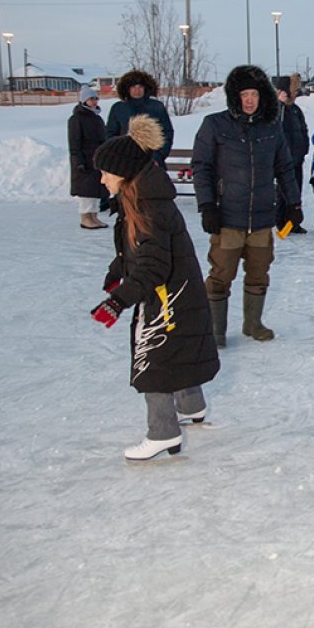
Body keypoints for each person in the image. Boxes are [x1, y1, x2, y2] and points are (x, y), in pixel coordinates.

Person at [90, 114, 220, 461]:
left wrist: (118, 301)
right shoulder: (143, 198)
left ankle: (163, 433)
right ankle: (192, 405)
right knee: (178, 350)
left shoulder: (147, 207)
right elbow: (138, 250)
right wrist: (118, 270)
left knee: (154, 360)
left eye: (106, 172)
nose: (101, 180)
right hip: (178, 291)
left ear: (124, 172)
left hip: (166, 297)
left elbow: (153, 264)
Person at [191, 65, 302, 346]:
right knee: (221, 275)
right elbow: (201, 167)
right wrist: (207, 205)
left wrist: (294, 203)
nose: (249, 100)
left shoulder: (271, 128)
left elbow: (285, 168)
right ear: (234, 96)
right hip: (228, 217)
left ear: (262, 96)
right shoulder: (215, 125)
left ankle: (253, 324)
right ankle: (215, 330)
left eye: (254, 93)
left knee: (258, 273)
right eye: (244, 94)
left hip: (262, 218)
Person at [106, 69, 174, 166]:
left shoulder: (156, 106)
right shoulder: (118, 108)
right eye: (133, 87)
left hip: (152, 161)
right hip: (125, 162)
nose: (137, 90)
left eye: (140, 87)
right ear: (127, 89)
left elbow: (166, 132)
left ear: (146, 88)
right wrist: (119, 155)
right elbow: (111, 135)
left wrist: (158, 156)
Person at [68, 84, 109, 230]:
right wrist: (78, 161)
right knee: (86, 191)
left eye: (95, 99)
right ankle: (85, 217)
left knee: (95, 189)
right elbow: (74, 142)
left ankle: (93, 216)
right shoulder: (76, 119)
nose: (94, 102)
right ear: (84, 100)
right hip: (84, 159)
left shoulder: (96, 118)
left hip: (96, 159)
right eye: (91, 99)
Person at [276, 75, 310, 234]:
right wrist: (279, 104)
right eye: (293, 90)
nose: (295, 93)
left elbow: (303, 129)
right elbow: (273, 126)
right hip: (283, 160)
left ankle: (293, 223)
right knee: (284, 192)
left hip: (297, 158)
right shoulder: (278, 109)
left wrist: (305, 147)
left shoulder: (295, 110)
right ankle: (281, 223)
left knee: (296, 192)